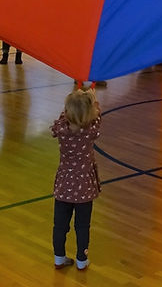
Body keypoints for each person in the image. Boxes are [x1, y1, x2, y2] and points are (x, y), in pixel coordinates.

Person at [51, 86, 102, 271]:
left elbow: (60, 120)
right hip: (84, 188)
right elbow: (97, 118)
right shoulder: (90, 131)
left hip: (64, 186)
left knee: (60, 225)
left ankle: (59, 257)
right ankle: (82, 259)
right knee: (82, 226)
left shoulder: (61, 129)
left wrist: (76, 104)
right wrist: (93, 101)